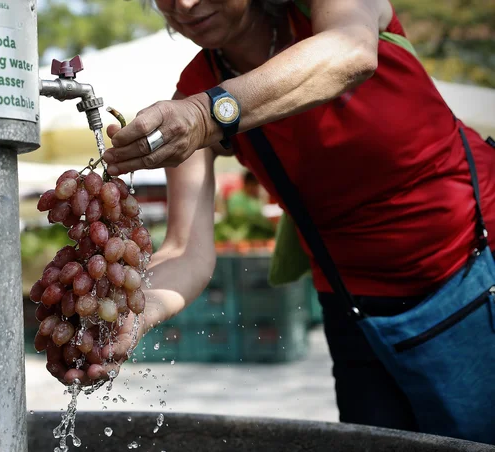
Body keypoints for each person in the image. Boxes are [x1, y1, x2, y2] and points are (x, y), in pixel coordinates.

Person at [70, 0, 495, 438]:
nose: (185, 3)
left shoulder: (313, 13)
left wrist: (207, 116)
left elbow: (351, 52)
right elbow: (184, 250)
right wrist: (132, 314)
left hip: (475, 271)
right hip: (355, 310)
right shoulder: (193, 92)